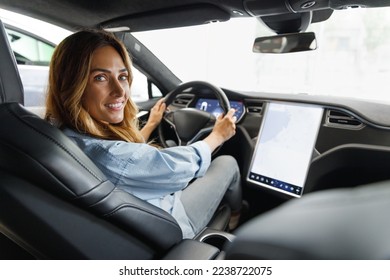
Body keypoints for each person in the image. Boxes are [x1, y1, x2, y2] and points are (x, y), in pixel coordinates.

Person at [45, 29, 242, 239]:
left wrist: (151, 124)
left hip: (138, 218)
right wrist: (217, 136)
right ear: (73, 83)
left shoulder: (64, 134)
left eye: (122, 76)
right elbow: (178, 169)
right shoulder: (110, 156)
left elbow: (130, 160)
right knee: (228, 163)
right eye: (100, 77)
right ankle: (236, 218)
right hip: (170, 221)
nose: (121, 91)